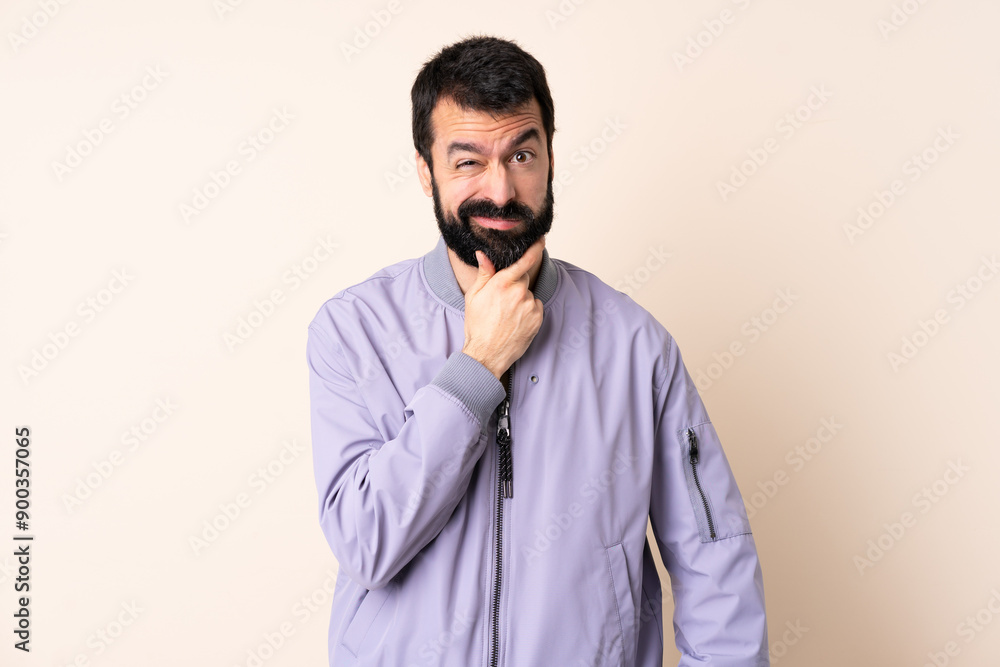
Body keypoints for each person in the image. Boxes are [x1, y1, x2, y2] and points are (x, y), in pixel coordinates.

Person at [307, 34, 769, 666]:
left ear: (551, 155)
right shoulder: (353, 332)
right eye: (467, 160)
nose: (500, 191)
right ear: (425, 170)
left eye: (521, 154)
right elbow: (368, 543)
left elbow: (715, 564)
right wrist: (477, 367)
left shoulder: (635, 345)